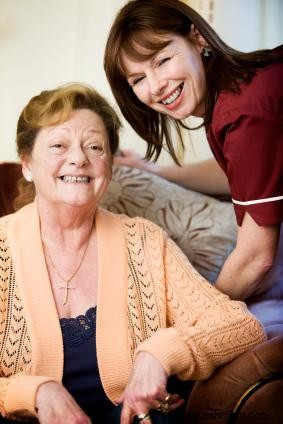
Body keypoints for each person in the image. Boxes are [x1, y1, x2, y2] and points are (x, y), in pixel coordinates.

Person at [0, 82, 266, 424]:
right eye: (58, 145)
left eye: (95, 147)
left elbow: (240, 326)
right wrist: (34, 392)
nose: (79, 158)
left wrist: (159, 354)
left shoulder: (144, 241)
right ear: (27, 165)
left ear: (109, 166)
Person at [103, 0, 283, 302]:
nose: (157, 85)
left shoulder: (242, 111)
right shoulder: (235, 92)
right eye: (138, 79)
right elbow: (245, 175)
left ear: (197, 38)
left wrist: (198, 321)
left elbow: (256, 258)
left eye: (162, 60)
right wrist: (154, 170)